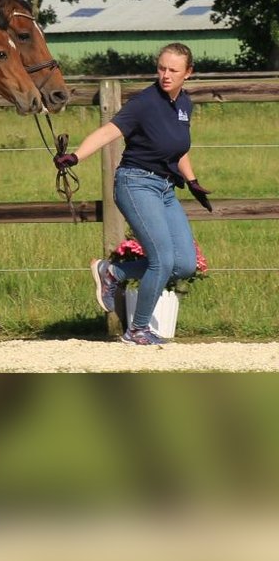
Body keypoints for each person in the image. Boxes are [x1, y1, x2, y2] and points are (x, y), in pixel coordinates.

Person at [54, 43, 212, 346]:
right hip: (136, 183)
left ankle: (112, 271)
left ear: (188, 73)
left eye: (173, 70)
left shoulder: (184, 105)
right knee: (162, 260)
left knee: (185, 264)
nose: (165, 75)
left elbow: (177, 147)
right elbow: (107, 132)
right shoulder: (145, 102)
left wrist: (192, 181)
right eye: (161, 68)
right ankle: (137, 330)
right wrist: (74, 157)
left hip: (166, 189)